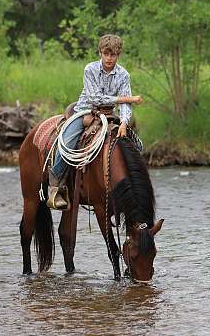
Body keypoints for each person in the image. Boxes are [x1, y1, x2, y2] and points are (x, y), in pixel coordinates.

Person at [47, 34, 144, 210]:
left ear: (118, 55)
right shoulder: (90, 69)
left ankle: (130, 189)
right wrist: (124, 98)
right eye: (106, 54)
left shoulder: (123, 75)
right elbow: (95, 98)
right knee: (66, 143)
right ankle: (56, 188)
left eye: (113, 54)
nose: (109, 58)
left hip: (110, 115)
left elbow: (126, 106)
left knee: (136, 147)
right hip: (85, 111)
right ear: (100, 52)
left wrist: (123, 122)